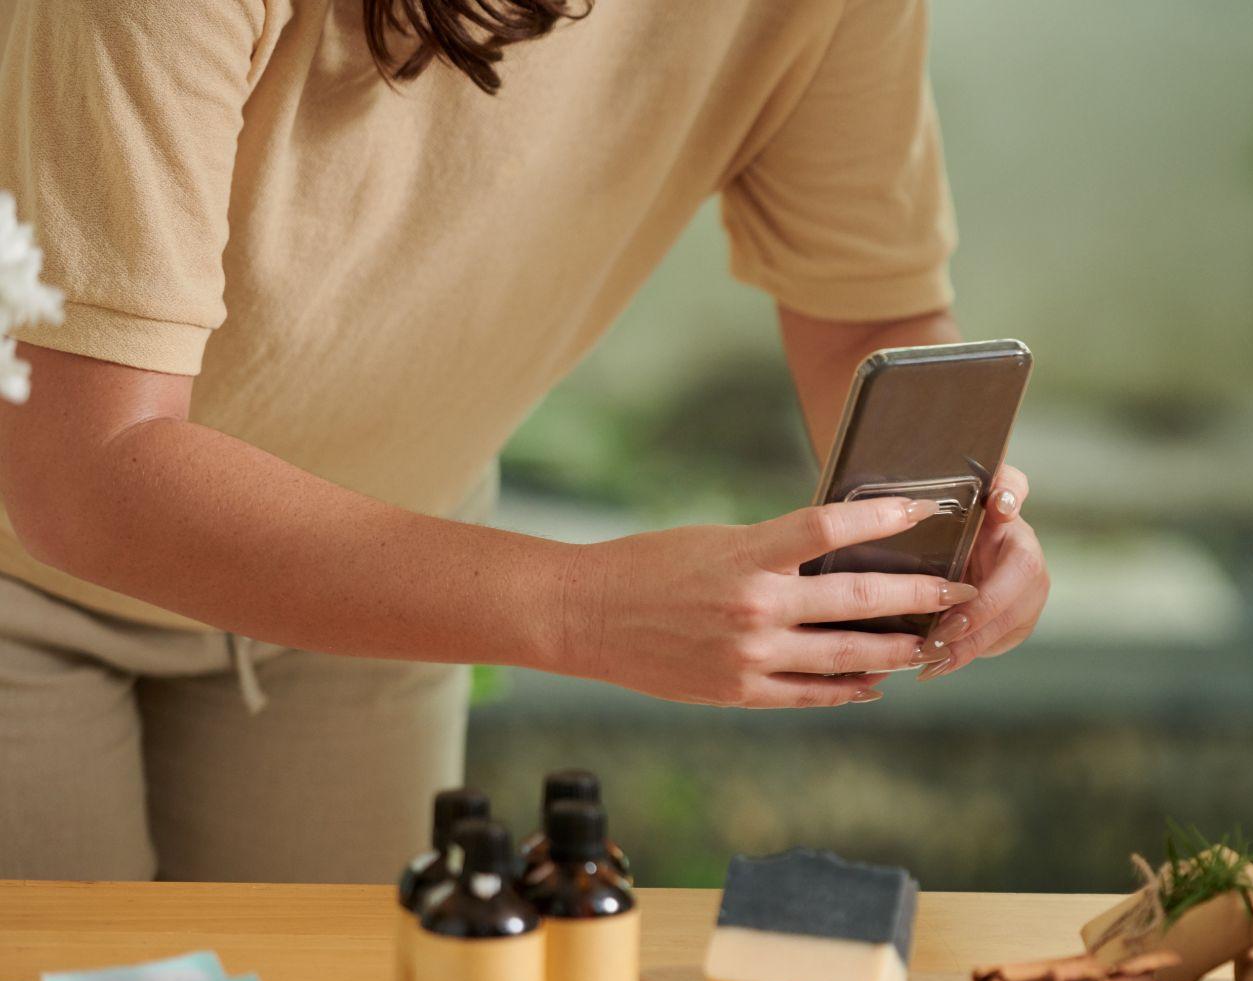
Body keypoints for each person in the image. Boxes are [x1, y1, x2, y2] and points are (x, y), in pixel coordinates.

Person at [0, 0, 1049, 882]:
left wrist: (948, 514)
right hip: (22, 577)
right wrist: (585, 607)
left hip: (373, 580)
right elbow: (85, 471)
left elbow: (865, 308)